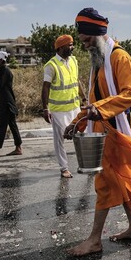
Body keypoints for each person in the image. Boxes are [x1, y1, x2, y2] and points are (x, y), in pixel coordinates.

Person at [64, 8, 131, 256]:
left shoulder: (119, 57)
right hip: (105, 129)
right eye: (83, 40)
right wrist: (78, 122)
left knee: (105, 183)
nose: (85, 45)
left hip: (119, 129)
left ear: (98, 34)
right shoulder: (100, 59)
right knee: (120, 181)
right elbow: (95, 100)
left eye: (87, 40)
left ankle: (95, 240)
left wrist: (97, 110)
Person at [41, 34, 84, 178]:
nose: (72, 47)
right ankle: (64, 168)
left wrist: (84, 99)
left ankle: (85, 163)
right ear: (61, 47)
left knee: (81, 136)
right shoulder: (51, 65)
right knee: (60, 140)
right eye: (70, 45)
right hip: (58, 111)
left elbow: (77, 81)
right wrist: (45, 108)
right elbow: (45, 87)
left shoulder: (73, 61)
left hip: (75, 107)